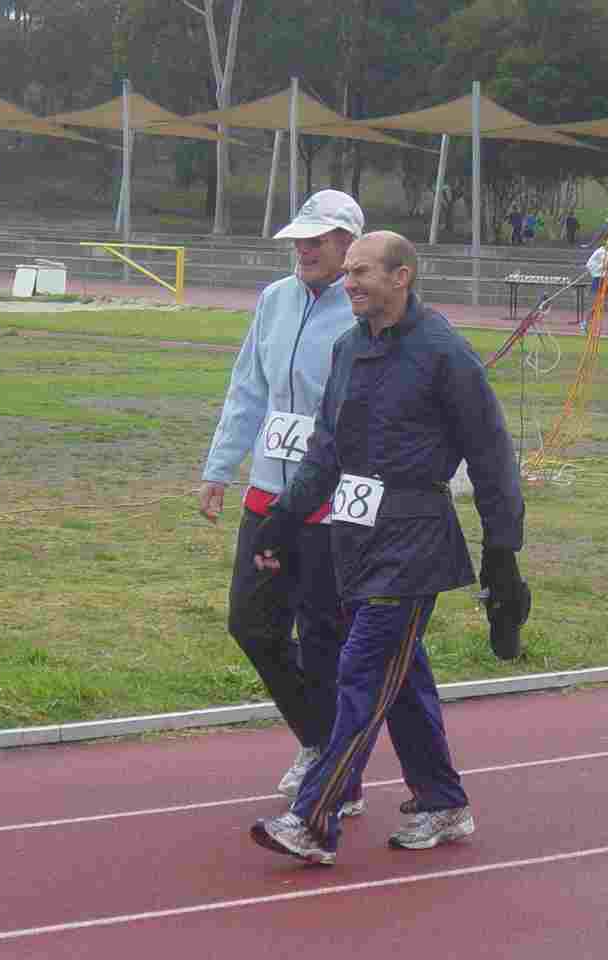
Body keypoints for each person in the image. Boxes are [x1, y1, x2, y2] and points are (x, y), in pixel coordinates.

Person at [247, 231, 527, 865]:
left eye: (363, 272)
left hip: (415, 538)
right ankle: (443, 801)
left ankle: (314, 818)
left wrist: (502, 551)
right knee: (400, 676)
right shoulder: (347, 350)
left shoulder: (444, 353)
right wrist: (282, 519)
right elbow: (326, 448)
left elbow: (490, 455)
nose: (349, 283)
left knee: (363, 668)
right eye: (347, 273)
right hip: (356, 536)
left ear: (402, 278)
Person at [199, 189, 366, 815]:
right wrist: (220, 469)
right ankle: (322, 739)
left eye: (317, 239)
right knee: (252, 622)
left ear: (350, 243)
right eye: (299, 238)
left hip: (331, 500)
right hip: (270, 493)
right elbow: (248, 388)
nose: (303, 248)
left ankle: (336, 769)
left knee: (324, 632)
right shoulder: (274, 301)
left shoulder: (363, 309)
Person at [585, 242, 608, 337]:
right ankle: (585, 322)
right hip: (600, 279)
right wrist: (602, 267)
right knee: (597, 306)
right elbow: (589, 265)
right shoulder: (599, 251)